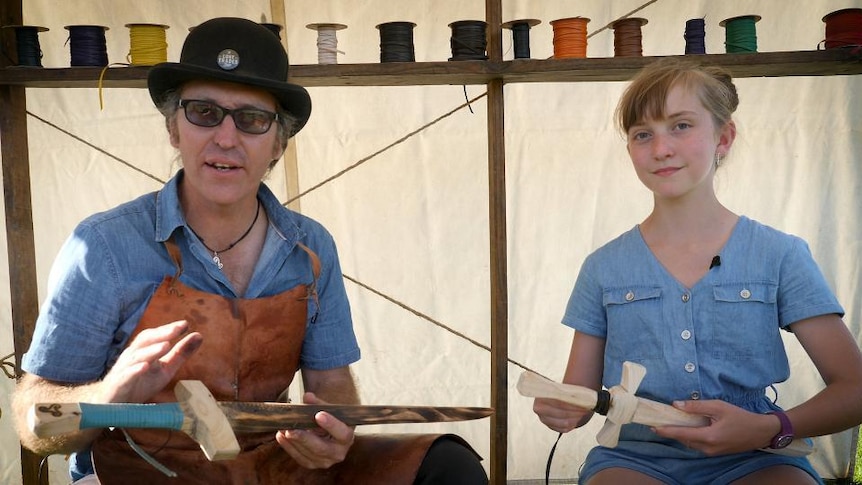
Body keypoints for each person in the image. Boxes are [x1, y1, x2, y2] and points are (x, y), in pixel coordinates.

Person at [12, 17, 488, 485]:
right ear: (174, 129)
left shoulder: (310, 248)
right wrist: (106, 395)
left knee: (447, 465)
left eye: (252, 119)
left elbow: (332, 389)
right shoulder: (105, 247)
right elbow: (32, 420)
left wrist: (333, 433)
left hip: (271, 465)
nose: (225, 137)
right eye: (204, 112)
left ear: (278, 144)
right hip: (140, 470)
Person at [532, 57, 862, 484]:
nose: (661, 148)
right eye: (642, 134)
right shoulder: (602, 268)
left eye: (681, 126)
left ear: (724, 137)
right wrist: (562, 408)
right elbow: (579, 399)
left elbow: (854, 389)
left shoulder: (780, 255)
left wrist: (769, 428)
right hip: (634, 460)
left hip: (758, 454)